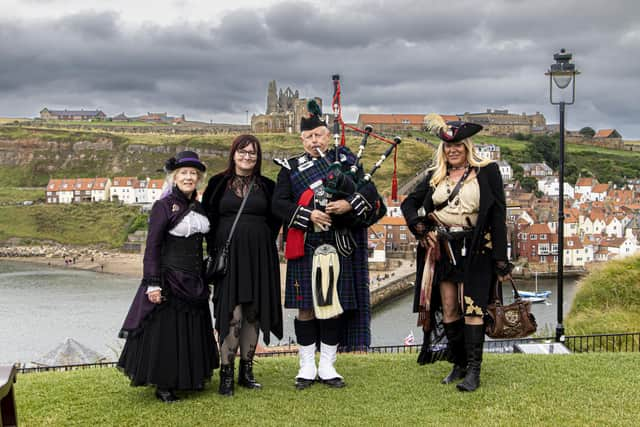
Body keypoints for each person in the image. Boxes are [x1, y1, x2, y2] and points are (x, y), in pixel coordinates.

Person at [272, 101, 379, 390]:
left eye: (318, 135)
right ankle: (306, 365)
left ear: (328, 135)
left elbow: (369, 190)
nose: (314, 141)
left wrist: (347, 204)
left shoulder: (345, 161)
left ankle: (328, 365)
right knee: (306, 306)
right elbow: (278, 203)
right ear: (301, 140)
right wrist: (308, 215)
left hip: (339, 244)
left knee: (333, 306)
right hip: (306, 245)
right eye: (308, 137)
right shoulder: (290, 168)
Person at [401, 114, 512, 392]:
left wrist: (501, 258)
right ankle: (459, 364)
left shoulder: (487, 172)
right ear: (443, 150)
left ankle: (474, 372)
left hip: (477, 249)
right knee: (449, 307)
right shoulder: (434, 176)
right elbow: (409, 204)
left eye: (458, 146)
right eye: (448, 147)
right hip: (443, 248)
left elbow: (498, 215)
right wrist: (419, 227)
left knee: (473, 307)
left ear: (467, 147)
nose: (453, 150)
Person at [118, 151, 219, 402]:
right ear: (174, 177)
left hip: (195, 280)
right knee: (168, 334)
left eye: (193, 174)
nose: (188, 177)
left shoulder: (199, 206)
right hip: (169, 280)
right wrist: (152, 283)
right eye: (184, 173)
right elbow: (152, 246)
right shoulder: (163, 206)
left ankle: (191, 378)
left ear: (198, 178)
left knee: (191, 330)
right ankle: (165, 384)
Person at [202, 135, 283, 397]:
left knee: (253, 313)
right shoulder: (217, 184)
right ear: (233, 153)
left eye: (252, 153)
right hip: (229, 258)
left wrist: (258, 241)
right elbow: (208, 220)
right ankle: (226, 373)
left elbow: (275, 221)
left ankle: (246, 372)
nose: (247, 157)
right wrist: (217, 249)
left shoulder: (268, 186)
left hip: (260, 256)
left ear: (258, 157)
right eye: (242, 151)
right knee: (231, 314)